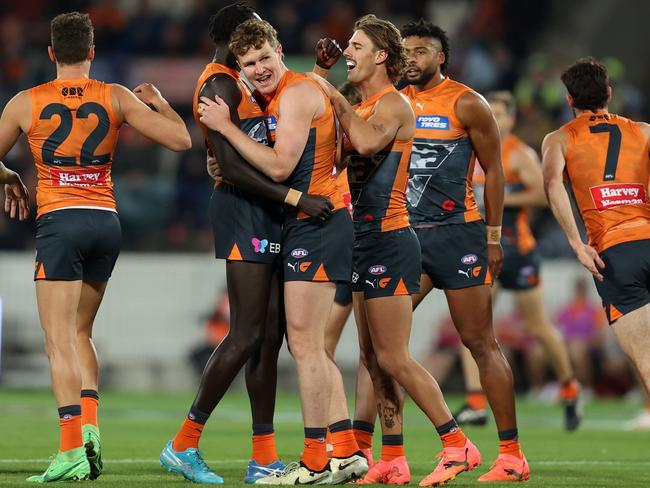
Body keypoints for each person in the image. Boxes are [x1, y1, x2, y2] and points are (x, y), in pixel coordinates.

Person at [0, 12, 191, 483]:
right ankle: (91, 433)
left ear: (50, 53)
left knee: (57, 340)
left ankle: (70, 450)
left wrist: (7, 174)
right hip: (106, 222)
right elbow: (182, 139)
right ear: (90, 52)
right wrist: (163, 104)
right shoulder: (116, 96)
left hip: (60, 223)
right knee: (81, 333)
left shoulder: (26, 102)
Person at [159, 5, 337, 485]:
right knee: (246, 333)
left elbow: (277, 123)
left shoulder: (244, 83)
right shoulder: (220, 84)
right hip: (243, 210)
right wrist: (296, 196)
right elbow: (233, 168)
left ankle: (263, 456)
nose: (257, 64)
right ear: (235, 40)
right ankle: (183, 443)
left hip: (266, 211)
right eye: (249, 50)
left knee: (268, 336)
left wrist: (320, 71)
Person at [309, 15, 482, 486]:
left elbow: (364, 144)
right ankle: (394, 457)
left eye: (357, 45)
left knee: (394, 356)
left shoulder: (395, 105)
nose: (348, 51)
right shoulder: (364, 107)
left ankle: (457, 443)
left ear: (381, 56)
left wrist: (334, 99)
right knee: (370, 357)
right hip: (361, 241)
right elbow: (335, 158)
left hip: (390, 239)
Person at [198, 18, 365, 484]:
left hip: (315, 224)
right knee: (314, 348)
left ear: (279, 51)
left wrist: (225, 131)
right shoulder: (295, 88)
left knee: (307, 347)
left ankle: (314, 461)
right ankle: (347, 451)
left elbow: (279, 167)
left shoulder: (292, 95)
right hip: (316, 223)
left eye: (265, 58)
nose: (259, 68)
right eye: (249, 64)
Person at [399, 19, 529, 481]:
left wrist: (493, 237)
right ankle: (396, 454)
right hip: (407, 238)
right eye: (406, 51)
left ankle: (511, 455)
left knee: (480, 342)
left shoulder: (467, 102)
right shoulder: (393, 101)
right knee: (383, 345)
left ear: (441, 57)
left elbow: (494, 171)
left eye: (421, 51)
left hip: (459, 235)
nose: (411, 58)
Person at [458, 90, 581, 431]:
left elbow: (542, 195)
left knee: (538, 326)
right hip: (484, 248)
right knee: (473, 327)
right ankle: (475, 401)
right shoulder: (472, 147)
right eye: (490, 112)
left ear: (512, 119)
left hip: (518, 248)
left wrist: (499, 198)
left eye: (501, 113)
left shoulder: (520, 154)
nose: (495, 119)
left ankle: (570, 387)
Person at [542, 56, 650, 410]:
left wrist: (576, 242)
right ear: (609, 93)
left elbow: (552, 184)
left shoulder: (559, 140)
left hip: (616, 254)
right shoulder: (644, 131)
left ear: (569, 100)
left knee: (646, 359)